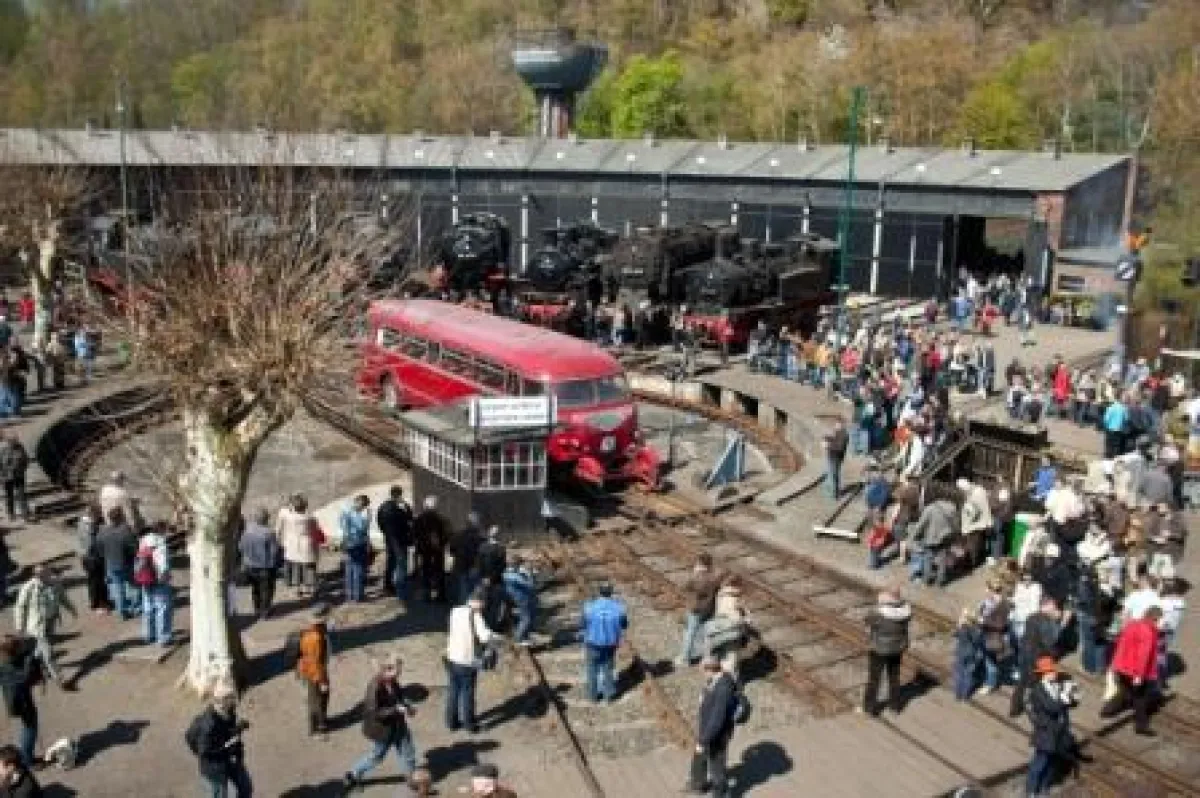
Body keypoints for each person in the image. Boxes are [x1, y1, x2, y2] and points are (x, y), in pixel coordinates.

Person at [344, 654, 417, 791]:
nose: (399, 674)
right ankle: (353, 774)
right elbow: (374, 712)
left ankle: (412, 779)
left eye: (399, 671)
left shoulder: (393, 681)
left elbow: (400, 697)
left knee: (408, 752)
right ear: (386, 670)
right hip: (383, 730)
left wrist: (408, 706)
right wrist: (396, 709)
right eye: (397, 670)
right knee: (377, 757)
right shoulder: (374, 687)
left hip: (398, 726)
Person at [684, 655, 739, 798]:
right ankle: (697, 784)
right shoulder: (715, 680)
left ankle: (721, 793)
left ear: (710, 669)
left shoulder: (723, 688)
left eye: (703, 670)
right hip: (707, 729)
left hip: (717, 734)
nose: (702, 674)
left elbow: (717, 719)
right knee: (699, 756)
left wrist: (704, 740)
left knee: (717, 767)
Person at [444, 589, 498, 732]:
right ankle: (469, 724)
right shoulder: (475, 615)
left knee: (453, 691)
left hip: (451, 658)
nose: (483, 607)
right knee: (468, 693)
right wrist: (495, 638)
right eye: (483, 603)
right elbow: (485, 637)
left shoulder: (455, 611)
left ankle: (451, 722)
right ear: (478, 602)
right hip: (467, 661)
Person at [186, 682, 253, 798]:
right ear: (223, 701)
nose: (235, 700)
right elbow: (204, 751)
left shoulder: (229, 711)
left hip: (232, 759)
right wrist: (228, 745)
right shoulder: (208, 725)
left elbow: (226, 730)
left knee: (246, 788)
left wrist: (238, 728)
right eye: (232, 697)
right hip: (215, 769)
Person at [13, 566, 75, 685]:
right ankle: (59, 678)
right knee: (48, 651)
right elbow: (20, 607)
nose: (48, 576)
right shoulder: (28, 588)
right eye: (43, 575)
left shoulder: (55, 582)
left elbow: (63, 597)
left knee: (40, 649)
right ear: (37, 576)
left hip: (51, 620)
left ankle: (31, 667)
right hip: (38, 624)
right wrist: (19, 626)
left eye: (47, 573)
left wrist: (72, 609)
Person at [1106, 605, 1161, 736]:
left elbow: (1121, 645)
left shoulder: (1132, 625)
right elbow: (1144, 655)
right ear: (1155, 618)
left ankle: (1108, 710)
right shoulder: (1148, 631)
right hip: (1136, 671)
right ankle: (1141, 726)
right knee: (1140, 699)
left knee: (1124, 690)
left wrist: (1115, 664)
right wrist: (1139, 675)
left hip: (1123, 667)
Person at [1026, 656, 1076, 798]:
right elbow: (1051, 707)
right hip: (1046, 732)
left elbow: (1068, 705)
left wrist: (1071, 697)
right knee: (1040, 762)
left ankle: (1044, 787)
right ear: (1043, 673)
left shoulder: (1057, 685)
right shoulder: (1038, 690)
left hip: (1058, 731)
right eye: (1050, 671)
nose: (1054, 673)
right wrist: (1064, 697)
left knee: (1052, 763)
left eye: (1053, 670)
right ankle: (1031, 791)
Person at [1009, 596, 1065, 718]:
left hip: (1026, 654)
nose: (1055, 608)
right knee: (1046, 683)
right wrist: (1058, 623)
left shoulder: (1032, 616)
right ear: (1046, 605)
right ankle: (1043, 708)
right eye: (1053, 606)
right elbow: (1050, 641)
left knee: (1023, 681)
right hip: (1042, 657)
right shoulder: (1046, 621)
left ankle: (1015, 708)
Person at [862, 589, 911, 716]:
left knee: (874, 679)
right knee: (894, 677)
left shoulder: (879, 613)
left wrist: (878, 606)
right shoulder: (906, 611)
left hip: (879, 649)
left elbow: (867, 620)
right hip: (897, 648)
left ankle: (869, 708)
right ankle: (894, 707)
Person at [581, 582, 628, 703]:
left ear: (599, 591)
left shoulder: (589, 607)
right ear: (611, 591)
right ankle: (608, 696)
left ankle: (592, 696)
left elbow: (583, 624)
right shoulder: (620, 608)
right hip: (610, 644)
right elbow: (624, 625)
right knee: (607, 668)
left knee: (592, 670)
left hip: (592, 643)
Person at [0, 636, 41, 768]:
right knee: (30, 727)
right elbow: (32, 678)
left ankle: (25, 756)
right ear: (17, 650)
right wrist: (31, 660)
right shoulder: (22, 668)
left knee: (28, 726)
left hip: (12, 699)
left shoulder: (3, 661)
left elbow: (31, 641)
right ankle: (27, 759)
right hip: (22, 702)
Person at [291, 608, 331, 738]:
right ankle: (317, 729)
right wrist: (322, 680)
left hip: (311, 670)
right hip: (315, 673)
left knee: (319, 698)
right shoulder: (316, 638)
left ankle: (320, 722)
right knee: (317, 700)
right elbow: (315, 661)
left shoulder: (315, 632)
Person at [134, 521, 173, 646]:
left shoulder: (143, 540)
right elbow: (162, 562)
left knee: (148, 606)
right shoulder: (160, 542)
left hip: (145, 578)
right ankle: (163, 637)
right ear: (161, 530)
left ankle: (148, 634)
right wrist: (165, 574)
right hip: (159, 579)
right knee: (162, 607)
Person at [677, 553, 720, 667]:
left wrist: (695, 573)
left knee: (690, 633)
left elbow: (683, 586)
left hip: (696, 610)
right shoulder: (714, 578)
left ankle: (685, 659)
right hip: (709, 609)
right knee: (707, 634)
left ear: (700, 564)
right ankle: (706, 658)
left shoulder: (695, 578)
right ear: (710, 565)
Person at [237, 510, 281, 620]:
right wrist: (275, 564)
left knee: (256, 588)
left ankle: (257, 609)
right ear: (266, 519)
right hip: (265, 566)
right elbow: (274, 551)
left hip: (250, 565)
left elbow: (240, 547)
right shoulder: (269, 533)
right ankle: (264, 612)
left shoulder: (247, 531)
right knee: (266, 589)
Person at [96, 507, 138, 619]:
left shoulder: (103, 531)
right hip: (127, 562)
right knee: (133, 586)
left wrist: (105, 557)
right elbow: (133, 547)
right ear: (120, 517)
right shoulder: (125, 530)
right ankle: (136, 608)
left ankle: (121, 612)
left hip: (111, 563)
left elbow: (99, 547)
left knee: (118, 588)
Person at [277, 495, 319, 598]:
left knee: (296, 566)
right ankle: (309, 587)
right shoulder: (310, 518)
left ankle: (297, 588)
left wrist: (289, 504)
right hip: (306, 543)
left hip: (292, 544)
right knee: (309, 566)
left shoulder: (289, 516)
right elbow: (315, 530)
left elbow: (283, 513)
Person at [375, 487, 413, 600]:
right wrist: (406, 507)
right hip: (400, 540)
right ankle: (401, 589)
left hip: (389, 539)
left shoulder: (382, 507)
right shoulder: (399, 508)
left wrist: (386, 533)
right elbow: (408, 520)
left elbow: (380, 522)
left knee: (390, 563)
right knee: (401, 564)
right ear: (399, 495)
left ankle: (388, 586)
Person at [413, 496, 450, 603]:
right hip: (437, 550)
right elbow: (444, 534)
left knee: (426, 571)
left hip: (425, 549)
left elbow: (414, 535)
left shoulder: (419, 519)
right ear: (435, 506)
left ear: (425, 505)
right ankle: (441, 595)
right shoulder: (440, 519)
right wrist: (442, 544)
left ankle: (427, 595)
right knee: (439, 571)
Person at [338, 495, 372, 604]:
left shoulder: (345, 513)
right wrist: (368, 519)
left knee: (349, 570)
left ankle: (349, 595)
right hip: (357, 544)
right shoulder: (356, 515)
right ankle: (357, 596)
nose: (363, 507)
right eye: (363, 505)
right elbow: (362, 529)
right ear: (357, 502)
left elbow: (343, 528)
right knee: (358, 570)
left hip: (348, 544)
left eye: (364, 506)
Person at [450, 512, 484, 605]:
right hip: (474, 566)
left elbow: (452, 550)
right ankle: (472, 612)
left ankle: (463, 611)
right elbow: (482, 554)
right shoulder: (480, 538)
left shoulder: (458, 535)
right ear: (476, 523)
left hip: (461, 565)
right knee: (474, 591)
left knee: (463, 590)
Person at [501, 557, 538, 646]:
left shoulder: (506, 573)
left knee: (525, 617)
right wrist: (530, 575)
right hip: (521, 598)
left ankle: (524, 636)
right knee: (526, 618)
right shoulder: (514, 576)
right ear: (516, 564)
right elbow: (530, 585)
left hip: (513, 598)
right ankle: (520, 638)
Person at [0, 435, 31, 523]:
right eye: (12, 440)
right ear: (8, 441)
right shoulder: (3, 449)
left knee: (22, 496)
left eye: (15, 440)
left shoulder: (20, 448)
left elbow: (26, 460)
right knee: (9, 496)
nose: (14, 442)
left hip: (19, 476)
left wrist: (22, 470)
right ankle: (11, 514)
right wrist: (2, 475)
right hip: (6, 477)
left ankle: (25, 515)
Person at [823, 418, 849, 499]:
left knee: (834, 475)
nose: (835, 426)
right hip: (832, 455)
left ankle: (834, 494)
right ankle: (831, 491)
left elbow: (840, 447)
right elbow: (834, 440)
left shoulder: (844, 434)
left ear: (842, 425)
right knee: (831, 474)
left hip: (836, 457)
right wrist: (826, 438)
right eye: (835, 424)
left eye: (837, 424)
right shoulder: (838, 432)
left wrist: (828, 445)